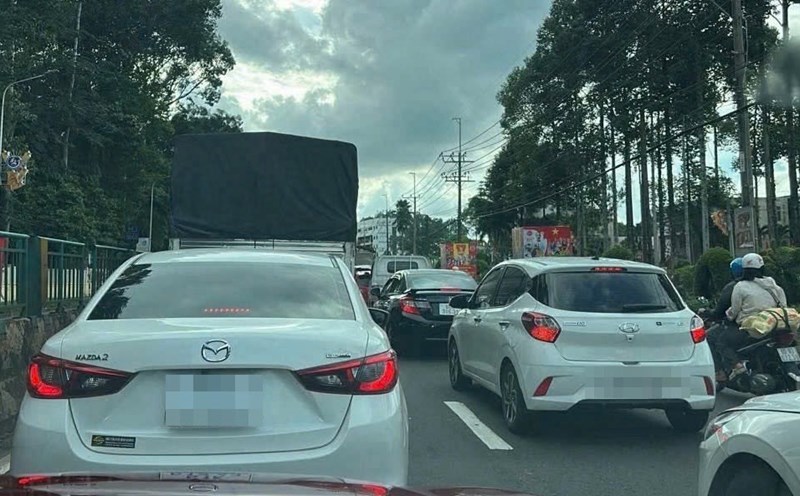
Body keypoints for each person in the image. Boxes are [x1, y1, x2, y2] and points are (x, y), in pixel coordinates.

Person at [721, 253, 788, 379]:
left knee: (722, 341)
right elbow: (784, 305)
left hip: (753, 328)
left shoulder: (740, 286)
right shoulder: (772, 284)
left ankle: (737, 366)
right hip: (776, 325)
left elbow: (734, 311)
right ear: (762, 268)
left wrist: (729, 316)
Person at [704, 258, 743, 382]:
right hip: (767, 322)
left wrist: (710, 313)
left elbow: (721, 311)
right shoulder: (769, 283)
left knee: (712, 338)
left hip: (739, 324)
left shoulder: (735, 287)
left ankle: (720, 371)